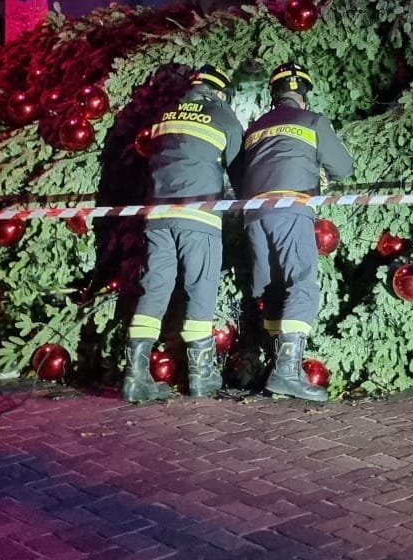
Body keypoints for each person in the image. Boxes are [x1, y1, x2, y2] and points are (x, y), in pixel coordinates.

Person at [125, 65, 244, 404]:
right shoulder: (222, 114)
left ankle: (135, 375)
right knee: (200, 287)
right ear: (220, 92)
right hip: (199, 216)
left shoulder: (165, 114)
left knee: (155, 288)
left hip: (158, 215)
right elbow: (238, 171)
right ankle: (201, 375)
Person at [235, 62, 354, 403]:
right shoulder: (312, 120)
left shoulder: (255, 127)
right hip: (291, 209)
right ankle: (287, 372)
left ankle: (277, 369)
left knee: (273, 290)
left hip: (254, 216)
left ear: (275, 95)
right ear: (303, 95)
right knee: (301, 285)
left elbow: (241, 174)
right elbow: (343, 167)